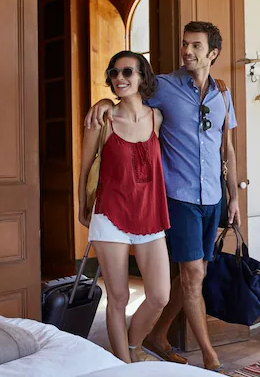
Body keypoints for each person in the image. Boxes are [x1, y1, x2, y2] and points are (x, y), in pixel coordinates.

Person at [84, 22, 240, 373]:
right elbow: (128, 96)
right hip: (175, 196)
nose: (187, 51)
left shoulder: (223, 93)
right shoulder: (165, 87)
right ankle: (210, 358)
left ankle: (154, 336)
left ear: (213, 53)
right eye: (185, 43)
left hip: (212, 196)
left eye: (196, 46)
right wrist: (104, 100)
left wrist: (234, 198)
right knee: (192, 273)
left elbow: (227, 148)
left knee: (194, 274)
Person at [78, 50, 171, 363]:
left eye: (127, 72)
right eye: (114, 72)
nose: (119, 78)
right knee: (118, 297)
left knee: (159, 295)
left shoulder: (157, 118)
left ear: (142, 76)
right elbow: (85, 167)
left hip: (151, 214)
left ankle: (132, 346)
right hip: (110, 215)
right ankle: (124, 366)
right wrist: (81, 207)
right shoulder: (102, 120)